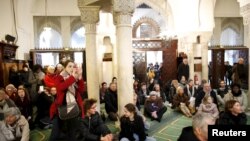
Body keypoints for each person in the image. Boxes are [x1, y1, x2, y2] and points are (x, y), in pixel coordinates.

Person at [49, 60, 85, 141]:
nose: (72, 68)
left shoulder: (75, 78)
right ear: (64, 67)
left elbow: (82, 90)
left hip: (73, 108)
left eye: (73, 66)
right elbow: (61, 87)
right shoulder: (59, 77)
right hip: (60, 109)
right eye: (69, 66)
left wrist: (80, 77)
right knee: (55, 135)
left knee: (72, 134)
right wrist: (72, 77)